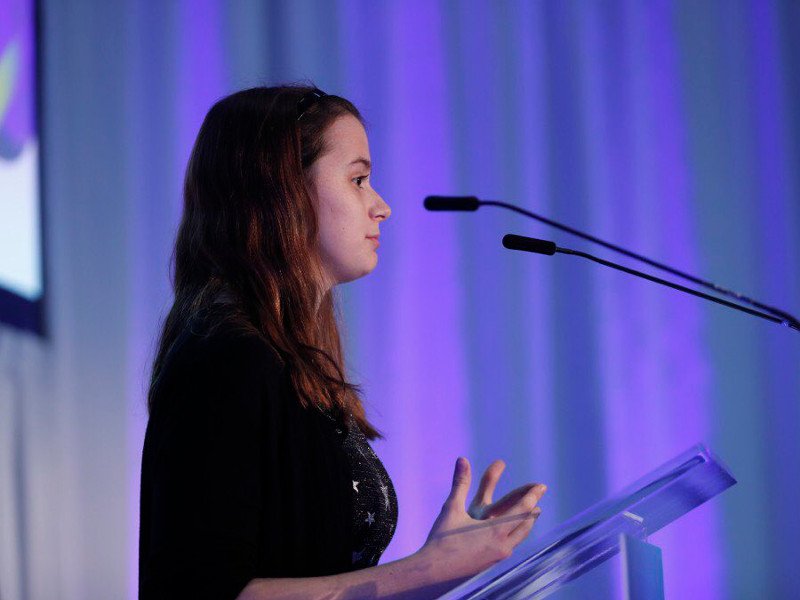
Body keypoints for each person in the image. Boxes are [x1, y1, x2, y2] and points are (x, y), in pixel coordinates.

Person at [138, 84, 547, 600]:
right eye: (358, 180)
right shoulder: (225, 360)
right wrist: (424, 569)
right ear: (281, 188)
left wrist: (446, 568)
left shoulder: (291, 368)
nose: (382, 207)